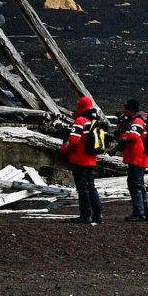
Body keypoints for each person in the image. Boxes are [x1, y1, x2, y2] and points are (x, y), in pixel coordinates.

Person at [58, 95, 103, 225]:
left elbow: (73, 140)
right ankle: (97, 214)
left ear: (81, 106)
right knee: (91, 186)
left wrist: (64, 149)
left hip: (80, 158)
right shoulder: (95, 120)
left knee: (82, 188)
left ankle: (85, 215)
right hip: (91, 158)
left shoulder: (81, 120)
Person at [117, 98, 148, 222]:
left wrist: (121, 136)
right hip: (138, 158)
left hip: (137, 158)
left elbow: (133, 135)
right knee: (139, 185)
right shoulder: (137, 120)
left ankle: (139, 213)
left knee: (134, 185)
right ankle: (146, 212)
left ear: (130, 109)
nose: (123, 110)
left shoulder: (137, 121)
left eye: (125, 108)